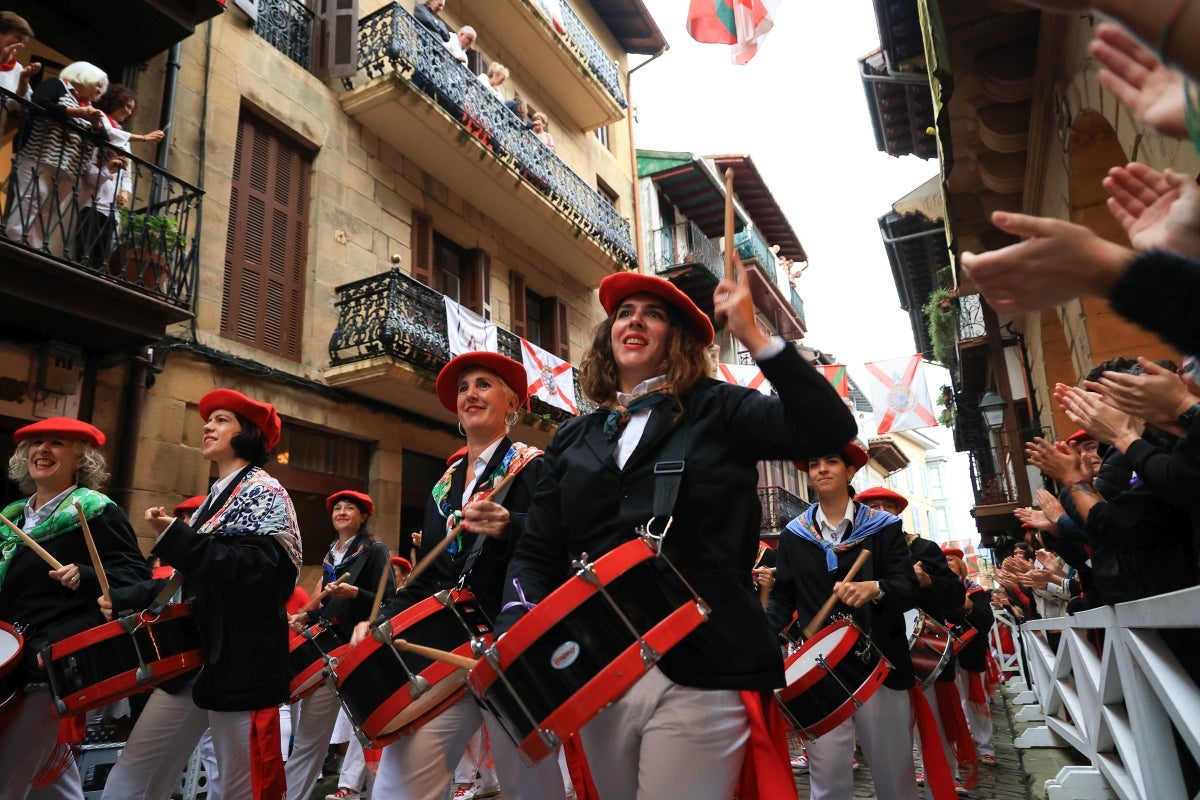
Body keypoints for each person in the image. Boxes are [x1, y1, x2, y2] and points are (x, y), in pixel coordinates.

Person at [497, 263, 858, 800]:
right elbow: (537, 549)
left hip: (704, 660)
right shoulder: (573, 437)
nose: (634, 322)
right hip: (599, 667)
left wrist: (755, 337)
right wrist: (518, 621)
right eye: (624, 313)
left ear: (678, 338)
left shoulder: (721, 408)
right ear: (608, 334)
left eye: (653, 314)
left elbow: (827, 428)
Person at [354, 350, 563, 799]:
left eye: (484, 384)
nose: (470, 394)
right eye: (464, 388)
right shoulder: (444, 484)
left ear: (513, 404)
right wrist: (383, 620)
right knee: (399, 783)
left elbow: (557, 547)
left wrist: (513, 525)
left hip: (511, 648)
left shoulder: (535, 467)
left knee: (531, 785)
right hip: (446, 652)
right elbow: (428, 577)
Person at [102, 389, 302, 800]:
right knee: (132, 777)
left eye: (222, 419)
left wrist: (179, 538)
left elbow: (262, 574)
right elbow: (189, 581)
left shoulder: (267, 491)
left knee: (239, 790)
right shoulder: (216, 496)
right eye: (208, 420)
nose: (208, 425)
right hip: (190, 659)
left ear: (247, 433)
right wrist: (119, 592)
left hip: (241, 663)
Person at [0, 417, 148, 799]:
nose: (42, 450)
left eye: (56, 444)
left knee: (7, 775)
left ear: (80, 459)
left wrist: (83, 574)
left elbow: (135, 578)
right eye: (35, 443)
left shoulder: (97, 511)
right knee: (53, 783)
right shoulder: (11, 518)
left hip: (49, 665)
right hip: (9, 660)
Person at [767, 447, 923, 800]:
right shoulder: (795, 534)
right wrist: (761, 633)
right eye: (814, 463)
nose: (821, 469)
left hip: (880, 663)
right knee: (827, 781)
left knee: (894, 774)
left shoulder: (884, 528)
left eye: (831, 461)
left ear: (850, 472)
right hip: (820, 671)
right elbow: (783, 596)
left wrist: (875, 588)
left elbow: (908, 589)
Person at [285, 490, 394, 800]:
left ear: (363, 517)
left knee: (372, 733)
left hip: (360, 653)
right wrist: (307, 618)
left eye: (350, 508)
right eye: (337, 508)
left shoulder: (375, 551)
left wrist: (357, 593)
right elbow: (332, 606)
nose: (342, 512)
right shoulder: (332, 553)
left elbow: (390, 600)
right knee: (309, 737)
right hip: (328, 654)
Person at [4, 61, 108, 254]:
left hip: (70, 167)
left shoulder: (92, 109)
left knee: (48, 208)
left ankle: (33, 248)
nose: (101, 89)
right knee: (31, 196)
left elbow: (103, 139)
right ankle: (14, 241)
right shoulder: (58, 85)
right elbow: (39, 103)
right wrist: (77, 113)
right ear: (83, 76)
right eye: (99, 83)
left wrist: (94, 124)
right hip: (39, 153)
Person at [942, 546, 997, 767]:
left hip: (970, 652)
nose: (946, 563)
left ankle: (985, 746)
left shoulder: (975, 592)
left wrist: (969, 607)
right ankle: (955, 747)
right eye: (942, 560)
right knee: (949, 701)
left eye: (951, 560)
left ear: (960, 564)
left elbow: (986, 620)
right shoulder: (936, 592)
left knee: (975, 698)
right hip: (944, 653)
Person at [0, 12, 41, 130]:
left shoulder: (17, 68)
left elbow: (17, 106)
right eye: (18, 38)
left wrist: (23, 79)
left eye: (24, 42)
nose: (21, 45)